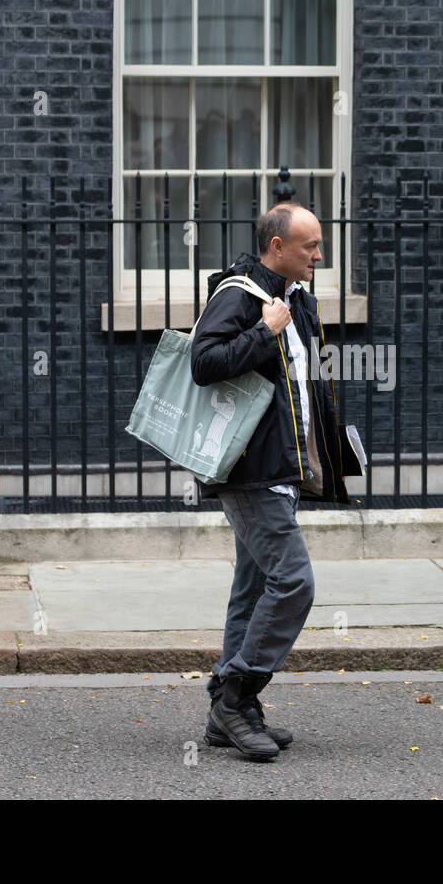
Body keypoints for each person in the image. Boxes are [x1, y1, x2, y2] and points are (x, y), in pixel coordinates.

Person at [190, 201, 351, 761]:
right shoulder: (240, 295)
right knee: (294, 582)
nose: (319, 253)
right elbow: (203, 362)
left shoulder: (296, 300)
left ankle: (226, 711)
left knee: (253, 588)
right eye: (310, 245)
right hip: (250, 471)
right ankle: (236, 697)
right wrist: (263, 331)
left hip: (281, 467)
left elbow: (301, 385)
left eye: (319, 243)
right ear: (276, 247)